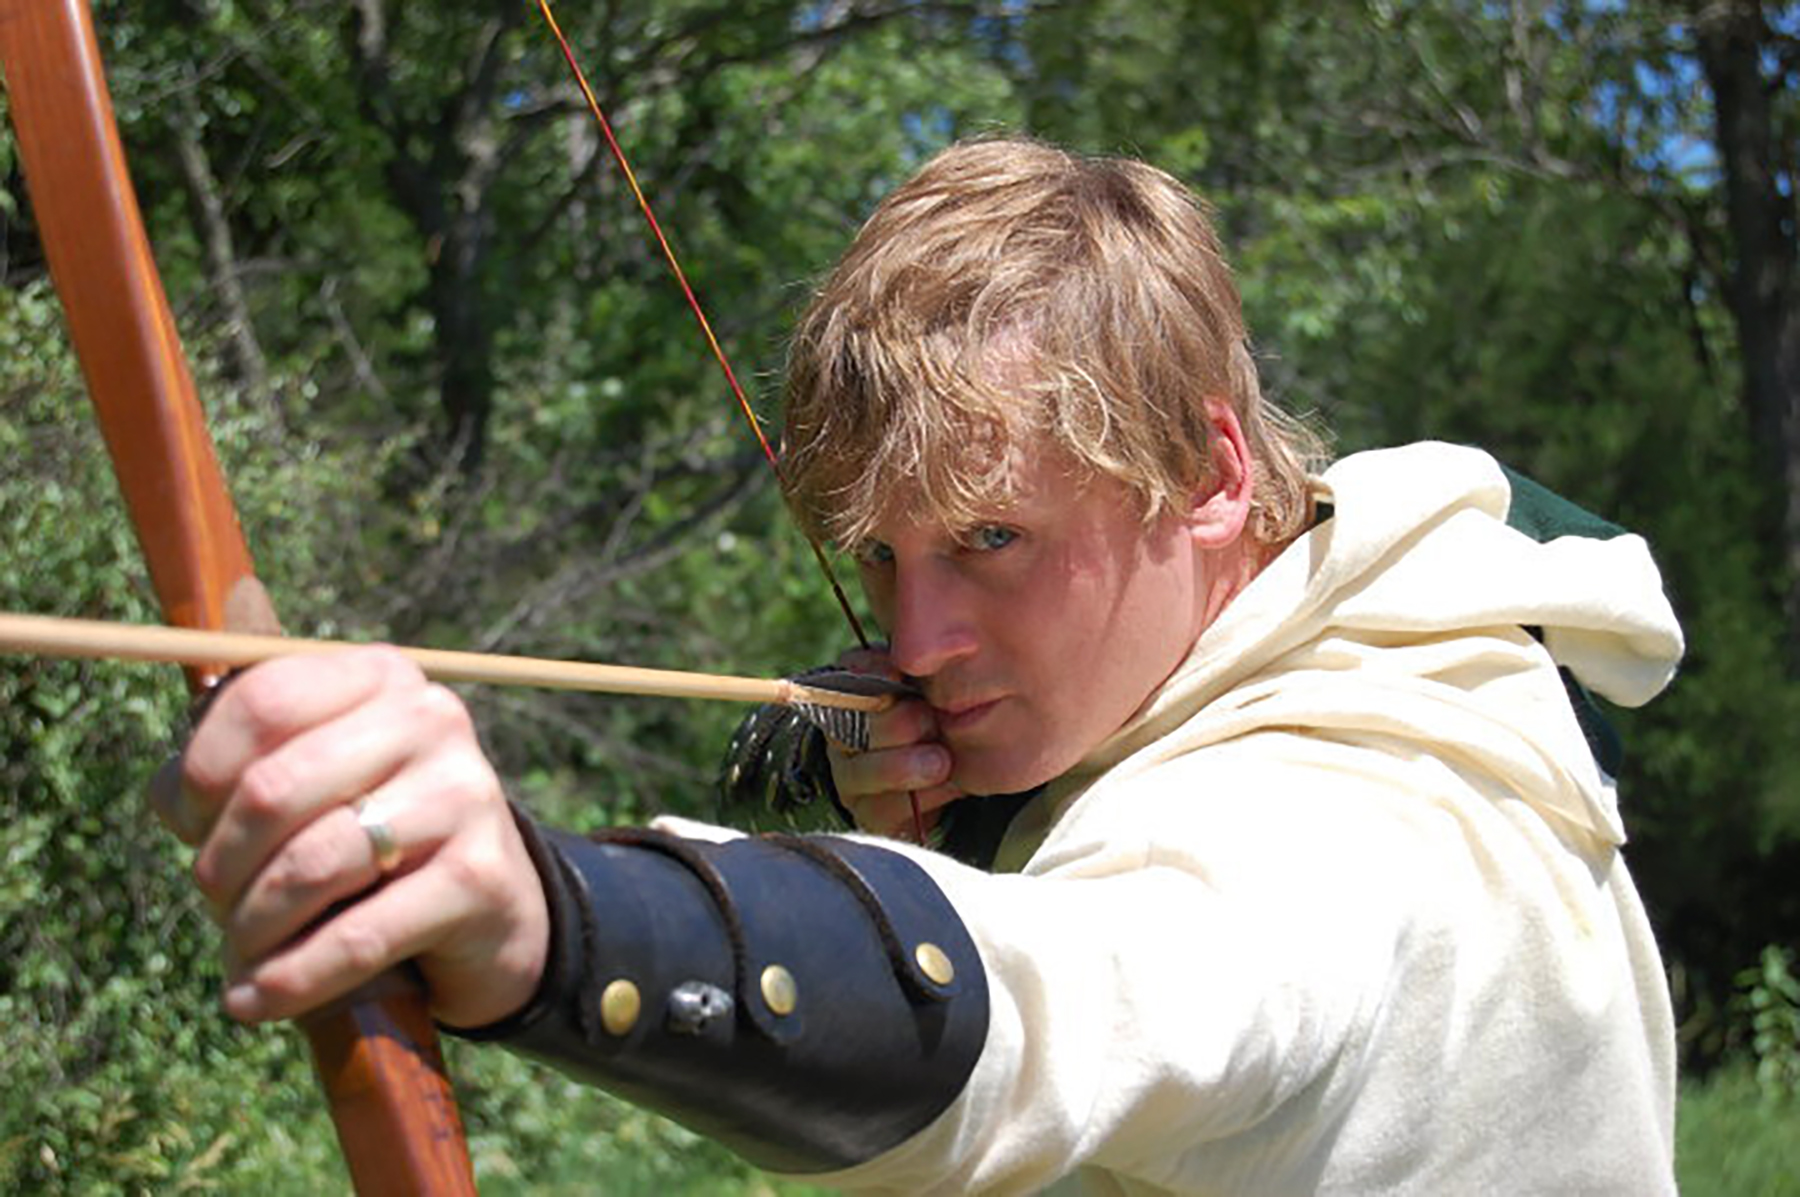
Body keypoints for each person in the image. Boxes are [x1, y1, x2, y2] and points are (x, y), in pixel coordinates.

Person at [156, 137, 1685, 1193]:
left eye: (996, 538)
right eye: (887, 559)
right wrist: (819, 753)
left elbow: (1069, 997)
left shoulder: (1334, 838)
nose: (917, 640)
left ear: (1212, 470)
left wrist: (552, 923)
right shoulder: (1438, 602)